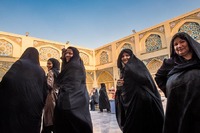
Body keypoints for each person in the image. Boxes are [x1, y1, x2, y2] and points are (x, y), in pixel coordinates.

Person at [155, 32, 200, 133]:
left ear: (189, 42)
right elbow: (159, 77)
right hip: (179, 105)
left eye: (182, 42)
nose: (179, 46)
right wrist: (170, 92)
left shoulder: (198, 57)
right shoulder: (170, 62)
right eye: (175, 44)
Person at [115, 48, 164, 133]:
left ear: (132, 56)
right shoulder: (123, 71)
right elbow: (124, 88)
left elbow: (146, 81)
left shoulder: (137, 66)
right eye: (122, 56)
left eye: (127, 55)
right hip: (130, 104)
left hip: (141, 102)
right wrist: (119, 86)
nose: (125, 58)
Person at [0, 47, 47, 133]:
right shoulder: (41, 70)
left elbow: (7, 79)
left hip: (15, 104)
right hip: (34, 106)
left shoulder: (20, 63)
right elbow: (44, 90)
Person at [54, 46, 93, 133]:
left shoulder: (74, 66)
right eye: (66, 53)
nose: (67, 55)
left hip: (73, 101)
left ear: (75, 55)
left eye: (70, 53)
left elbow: (66, 83)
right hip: (77, 99)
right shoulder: (75, 64)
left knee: (74, 124)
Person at [42, 58, 60, 133]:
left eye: (49, 63)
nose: (47, 65)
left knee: (49, 116)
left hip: (50, 96)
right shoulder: (58, 72)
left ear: (54, 64)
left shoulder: (51, 72)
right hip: (57, 95)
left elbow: (49, 85)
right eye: (47, 63)